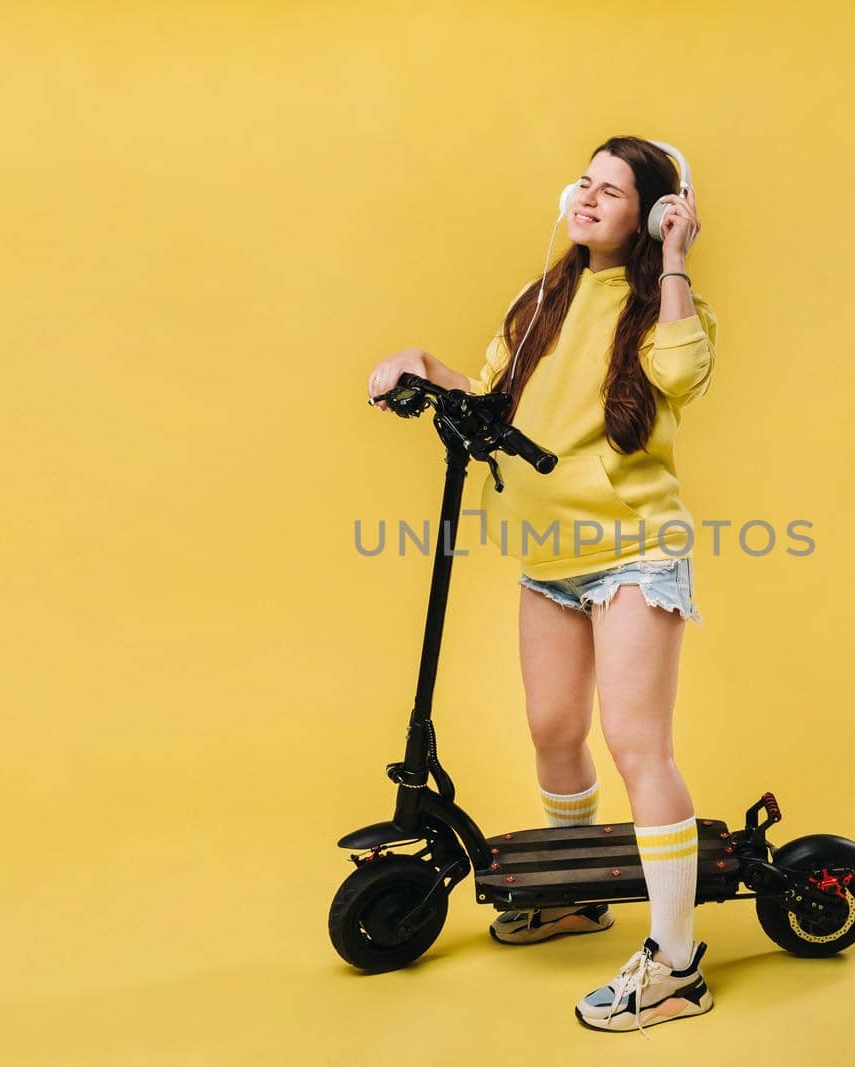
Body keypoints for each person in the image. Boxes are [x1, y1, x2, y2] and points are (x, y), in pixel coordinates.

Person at [365, 135, 717, 1033]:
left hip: (635, 549)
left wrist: (676, 260)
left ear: (654, 212)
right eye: (585, 184)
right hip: (548, 558)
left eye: (614, 190)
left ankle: (675, 964)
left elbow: (681, 373)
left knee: (636, 741)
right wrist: (419, 365)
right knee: (553, 730)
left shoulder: (666, 304)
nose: (590, 199)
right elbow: (490, 395)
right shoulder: (542, 297)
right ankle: (572, 895)